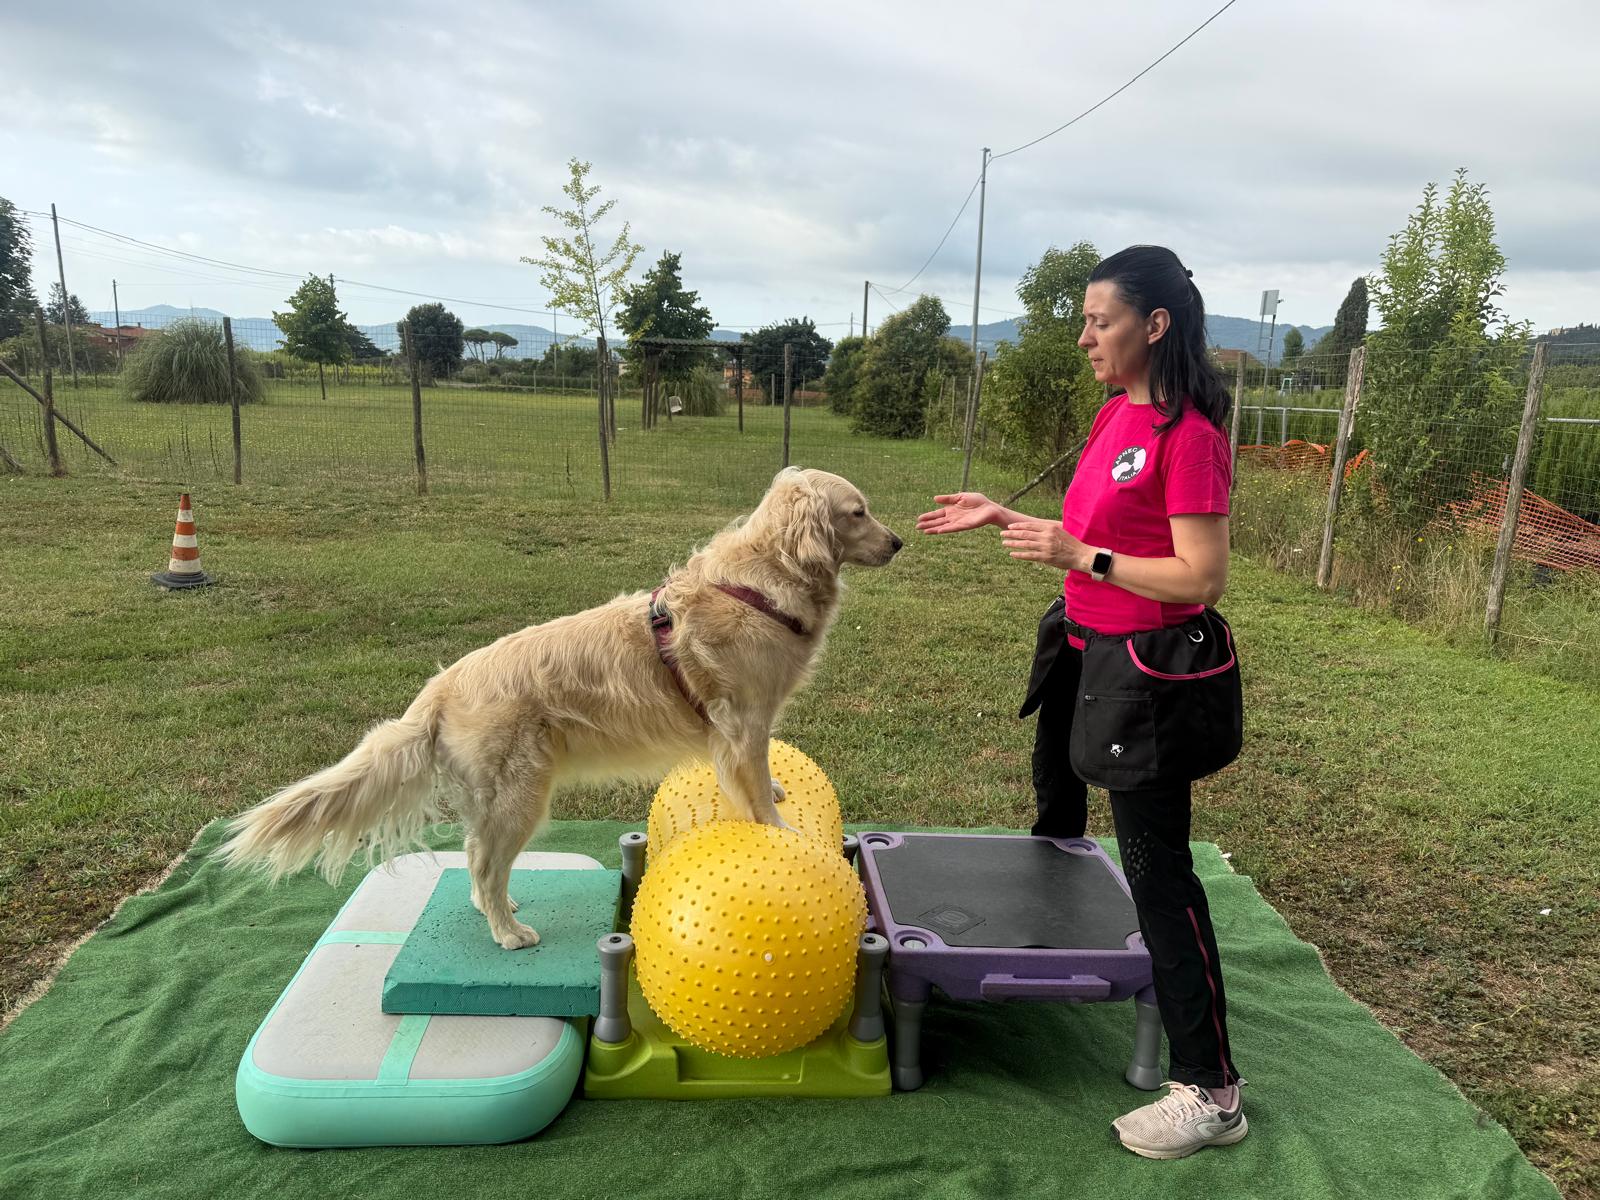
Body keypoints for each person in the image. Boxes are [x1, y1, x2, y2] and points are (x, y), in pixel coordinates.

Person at [917, 245, 1245, 1160]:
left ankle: (1212, 1091)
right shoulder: (1113, 417)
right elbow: (1090, 531)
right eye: (1086, 320)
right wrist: (1010, 518)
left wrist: (1081, 558)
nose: (1085, 336)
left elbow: (1200, 578)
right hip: (1079, 646)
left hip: (1145, 675)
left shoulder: (1191, 438)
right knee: (1055, 801)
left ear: (1155, 325)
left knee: (1158, 873)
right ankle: (1047, 968)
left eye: (1101, 320)